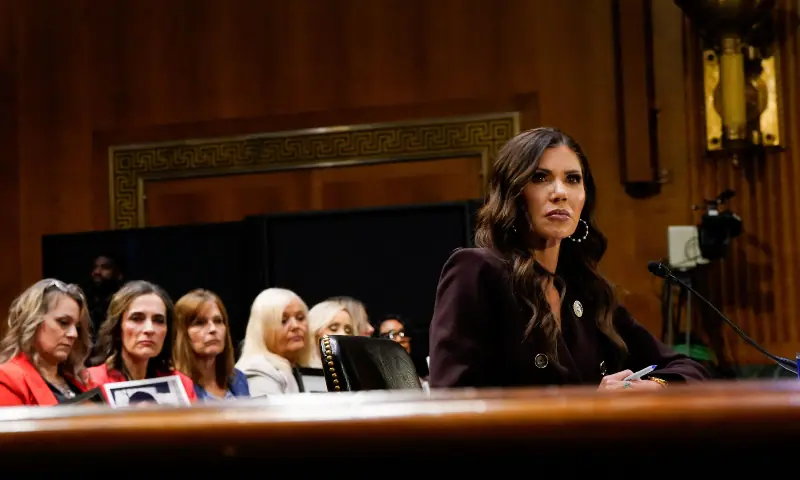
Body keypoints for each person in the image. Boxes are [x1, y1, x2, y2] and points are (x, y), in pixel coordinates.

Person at [429, 127, 710, 391]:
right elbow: (454, 404)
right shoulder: (476, 271)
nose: (560, 193)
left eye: (573, 179)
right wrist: (590, 409)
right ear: (513, 193)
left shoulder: (586, 290)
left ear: (585, 197)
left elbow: (689, 368)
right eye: (540, 178)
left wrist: (654, 387)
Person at [88, 281, 197, 402]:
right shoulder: (91, 382)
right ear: (118, 327)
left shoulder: (181, 385)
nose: (149, 329)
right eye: (136, 318)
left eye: (159, 320)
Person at [0, 280, 93, 406]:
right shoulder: (7, 378)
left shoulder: (80, 379)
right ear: (33, 321)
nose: (74, 334)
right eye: (63, 322)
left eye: (77, 327)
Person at [173, 289, 249, 401]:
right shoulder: (175, 386)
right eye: (199, 323)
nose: (213, 329)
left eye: (218, 321)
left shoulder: (238, 378)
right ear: (181, 333)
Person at [235, 288, 310, 396]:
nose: (295, 326)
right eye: (283, 321)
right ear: (263, 330)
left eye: (300, 318)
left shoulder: (303, 367)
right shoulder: (257, 370)